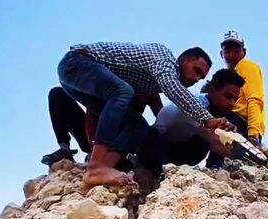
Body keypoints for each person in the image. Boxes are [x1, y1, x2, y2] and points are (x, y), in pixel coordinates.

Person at [56, 41, 232, 187]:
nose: (196, 79)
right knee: (123, 92)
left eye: (201, 78)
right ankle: (96, 165)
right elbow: (174, 91)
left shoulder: (154, 80)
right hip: (78, 63)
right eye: (196, 70)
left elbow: (157, 106)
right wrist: (207, 119)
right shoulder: (164, 60)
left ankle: (100, 171)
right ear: (184, 60)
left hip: (83, 81)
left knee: (137, 124)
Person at [137, 68, 248, 174]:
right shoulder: (194, 106)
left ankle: (213, 168)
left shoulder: (216, 109)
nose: (232, 104)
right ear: (212, 90)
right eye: (228, 96)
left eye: (235, 99)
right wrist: (247, 151)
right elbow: (215, 144)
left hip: (180, 150)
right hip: (155, 146)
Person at [41, 87, 163, 166]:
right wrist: (94, 148)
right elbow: (91, 112)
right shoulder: (107, 81)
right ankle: (65, 150)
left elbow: (161, 116)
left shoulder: (146, 88)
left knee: (137, 121)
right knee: (57, 94)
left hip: (127, 137)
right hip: (96, 137)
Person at [220, 31, 266, 147]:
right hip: (234, 122)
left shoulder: (247, 66)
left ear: (244, 52)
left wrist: (253, 135)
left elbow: (254, 100)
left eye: (236, 51)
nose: (231, 55)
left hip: (241, 123)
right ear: (222, 54)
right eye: (227, 51)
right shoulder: (229, 75)